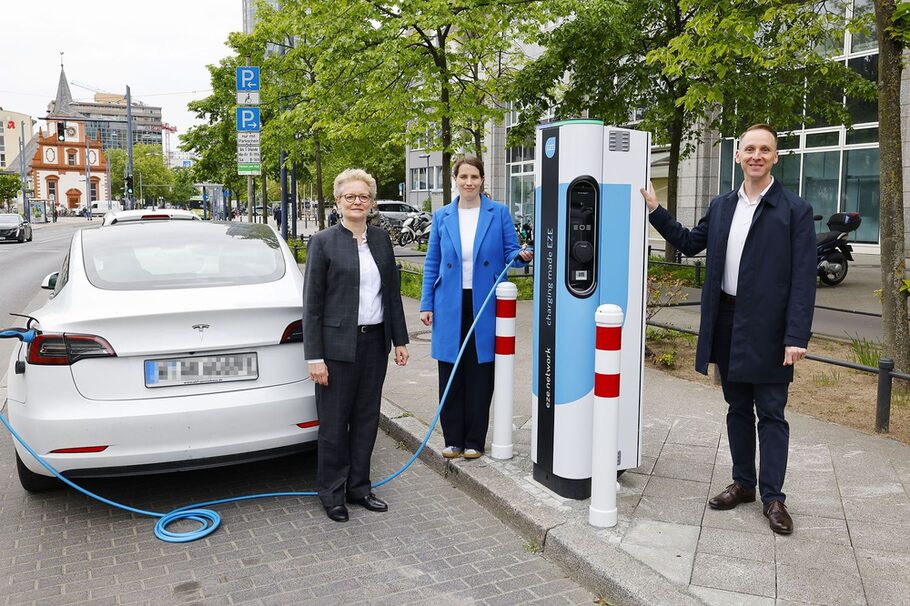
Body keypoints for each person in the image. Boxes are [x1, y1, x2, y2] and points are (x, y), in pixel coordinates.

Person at [640, 124, 816, 535]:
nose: (756, 155)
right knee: (736, 408)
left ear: (775, 157)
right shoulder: (722, 207)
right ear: (737, 156)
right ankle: (744, 483)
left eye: (764, 150)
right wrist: (654, 209)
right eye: (749, 149)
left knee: (771, 414)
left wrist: (796, 337)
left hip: (771, 329)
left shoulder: (794, 211)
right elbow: (688, 242)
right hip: (728, 322)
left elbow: (804, 279)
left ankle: (774, 497)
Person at [303, 168, 410, 523]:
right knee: (334, 424)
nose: (357, 202)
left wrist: (400, 340)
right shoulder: (323, 242)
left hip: (373, 344)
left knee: (366, 419)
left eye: (363, 196)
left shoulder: (380, 240)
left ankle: (359, 488)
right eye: (350, 196)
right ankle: (332, 493)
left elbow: (391, 294)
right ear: (338, 202)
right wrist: (314, 357)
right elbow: (312, 305)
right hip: (335, 350)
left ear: (372, 202)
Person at [419, 156, 532, 460]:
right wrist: (426, 303)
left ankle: (474, 441)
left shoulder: (499, 213)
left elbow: (511, 249)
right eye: (463, 176)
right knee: (451, 371)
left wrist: (522, 254)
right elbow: (432, 262)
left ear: (483, 180)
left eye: (475, 177)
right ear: (455, 180)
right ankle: (453, 439)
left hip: (486, 301)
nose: (469, 182)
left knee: (481, 371)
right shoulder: (442, 216)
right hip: (449, 303)